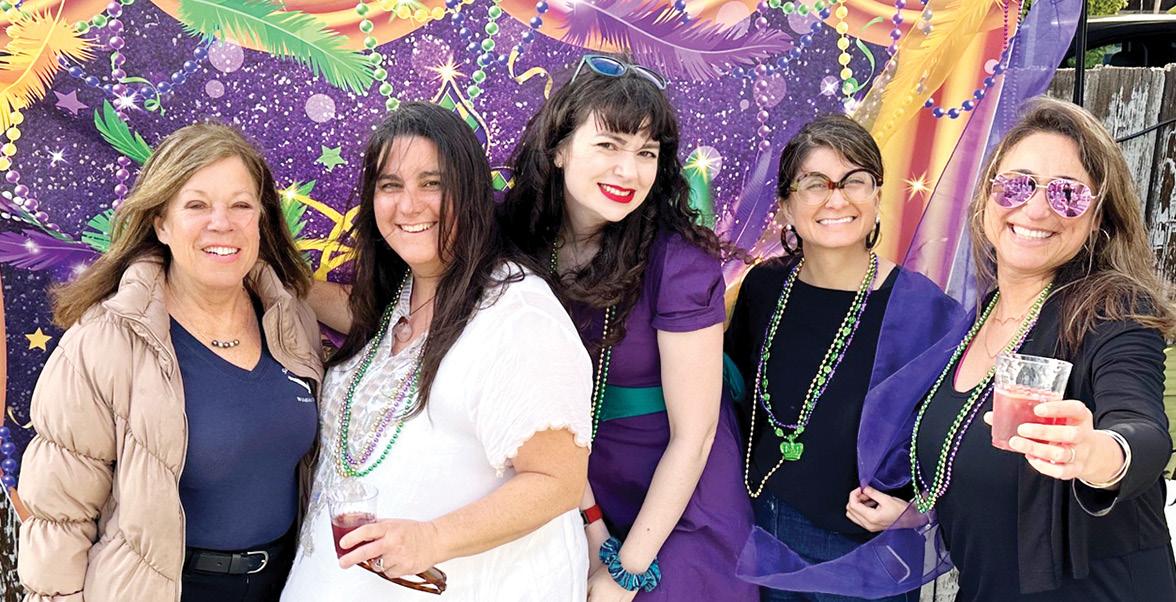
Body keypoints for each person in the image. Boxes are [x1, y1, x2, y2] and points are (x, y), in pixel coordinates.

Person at [282, 102, 592, 600]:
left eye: (432, 183)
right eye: (390, 185)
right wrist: (266, 275)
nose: (409, 206)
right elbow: (368, 322)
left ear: (470, 193)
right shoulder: (404, 296)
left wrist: (434, 538)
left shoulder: (521, 316)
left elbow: (558, 481)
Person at [875, 97, 1176, 599]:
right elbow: (975, 462)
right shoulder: (982, 315)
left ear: (1098, 218)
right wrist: (919, 508)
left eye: (1068, 194)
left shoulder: (1112, 310)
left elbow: (1143, 429)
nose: (1036, 208)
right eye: (1017, 184)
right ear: (986, 198)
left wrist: (1097, 454)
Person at [18, 123, 324, 601]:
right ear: (161, 223)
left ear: (261, 220)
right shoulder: (105, 341)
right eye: (197, 205)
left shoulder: (291, 322)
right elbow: (59, 517)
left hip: (289, 583)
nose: (222, 223)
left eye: (241, 205)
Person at [499, 54, 758, 601]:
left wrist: (625, 571)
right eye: (609, 144)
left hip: (676, 502)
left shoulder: (679, 262)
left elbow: (695, 437)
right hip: (566, 488)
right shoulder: (516, 242)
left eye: (646, 152)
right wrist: (591, 525)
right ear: (559, 148)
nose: (628, 170)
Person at [725, 115, 962, 602]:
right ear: (787, 204)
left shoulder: (925, 311)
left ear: (877, 197)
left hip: (861, 557)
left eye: (854, 180)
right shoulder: (762, 288)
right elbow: (735, 398)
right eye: (815, 184)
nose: (836, 200)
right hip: (759, 534)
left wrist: (916, 509)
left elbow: (956, 436)